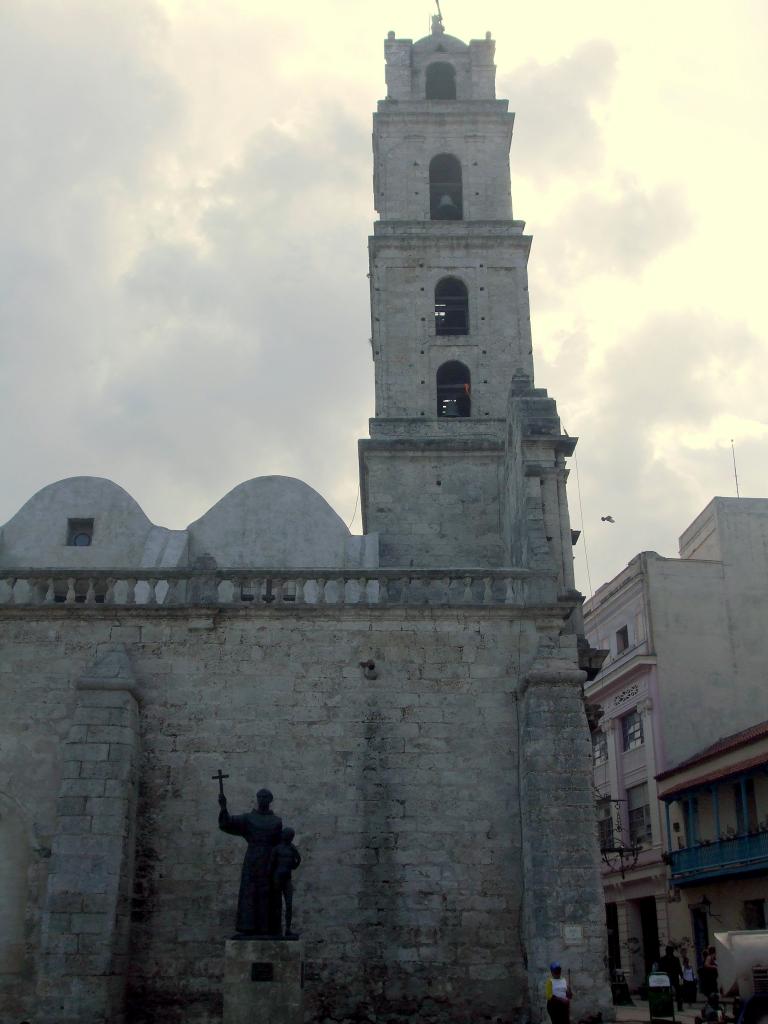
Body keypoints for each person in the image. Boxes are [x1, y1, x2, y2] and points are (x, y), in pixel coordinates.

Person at [218, 787, 283, 936]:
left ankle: (269, 929)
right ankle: (248, 927)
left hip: (269, 861)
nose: (262, 799)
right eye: (260, 797)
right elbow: (227, 823)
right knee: (249, 893)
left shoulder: (276, 821)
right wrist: (223, 807)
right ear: (257, 799)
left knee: (270, 894)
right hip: (253, 860)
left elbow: (280, 843)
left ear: (270, 800)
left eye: (266, 797)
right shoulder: (248, 818)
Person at [270, 826, 302, 937]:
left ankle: (287, 929)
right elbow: (271, 864)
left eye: (291, 836)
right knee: (277, 904)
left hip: (287, 878)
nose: (290, 838)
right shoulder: (277, 848)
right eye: (289, 835)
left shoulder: (291, 848)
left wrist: (293, 865)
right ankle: (276, 929)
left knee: (289, 904)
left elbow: (298, 859)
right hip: (277, 878)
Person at [659, 945, 684, 1011]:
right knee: (674, 992)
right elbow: (679, 969)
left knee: (672, 992)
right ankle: (676, 1007)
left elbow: (679, 968)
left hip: (670, 977)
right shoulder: (674, 959)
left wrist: (681, 976)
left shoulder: (664, 959)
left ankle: (671, 1006)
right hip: (670, 977)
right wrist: (681, 976)